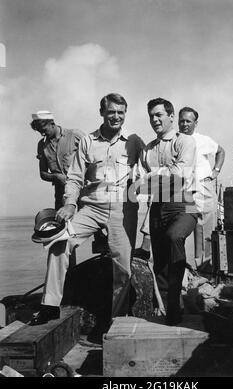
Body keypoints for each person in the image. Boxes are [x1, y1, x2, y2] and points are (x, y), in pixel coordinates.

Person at [30, 93, 144, 343]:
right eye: (111, 111)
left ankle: (117, 319)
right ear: (102, 113)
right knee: (59, 243)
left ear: (125, 114)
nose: (116, 116)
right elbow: (74, 178)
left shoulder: (135, 142)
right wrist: (70, 204)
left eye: (121, 112)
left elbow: (149, 170)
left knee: (122, 264)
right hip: (91, 207)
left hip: (123, 209)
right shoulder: (88, 142)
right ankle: (50, 305)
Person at [139, 97, 198, 326]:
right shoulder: (148, 149)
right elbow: (139, 182)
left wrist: (152, 177)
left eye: (159, 115)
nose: (155, 120)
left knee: (175, 237)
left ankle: (176, 303)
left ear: (171, 116)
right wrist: (159, 176)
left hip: (186, 203)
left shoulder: (185, 141)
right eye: (151, 116)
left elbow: (180, 174)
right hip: (158, 206)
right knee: (160, 261)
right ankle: (170, 312)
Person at [178, 107, 225, 269]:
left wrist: (215, 172)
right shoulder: (174, 139)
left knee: (205, 230)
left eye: (188, 121)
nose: (184, 124)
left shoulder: (203, 140)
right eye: (181, 120)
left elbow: (221, 152)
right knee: (182, 229)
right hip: (183, 191)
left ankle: (205, 271)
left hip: (203, 188)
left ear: (195, 123)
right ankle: (184, 271)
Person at [31, 111, 84, 210]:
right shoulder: (41, 145)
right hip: (61, 194)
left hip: (83, 191)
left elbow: (94, 160)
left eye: (44, 130)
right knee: (62, 223)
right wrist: (56, 177)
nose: (42, 134)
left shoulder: (75, 135)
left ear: (52, 124)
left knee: (87, 222)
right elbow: (43, 174)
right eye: (40, 132)